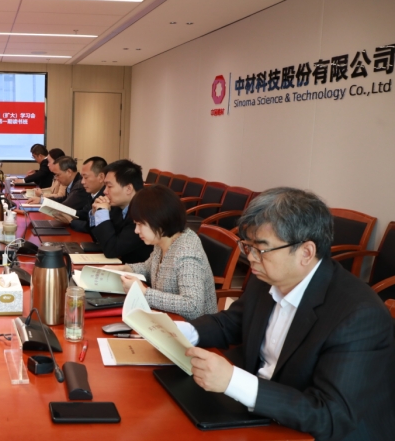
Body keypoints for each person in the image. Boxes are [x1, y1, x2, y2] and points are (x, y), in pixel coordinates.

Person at [182, 187, 395, 440]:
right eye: (247, 246)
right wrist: (181, 331)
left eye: (261, 249)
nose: (251, 258)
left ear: (306, 252)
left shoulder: (358, 315)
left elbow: (330, 415)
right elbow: (232, 323)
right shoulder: (267, 277)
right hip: (263, 411)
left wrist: (233, 381)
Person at [110, 184, 216, 318]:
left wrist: (144, 292)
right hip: (166, 319)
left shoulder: (187, 251)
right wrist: (125, 269)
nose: (136, 230)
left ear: (159, 220)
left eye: (140, 224)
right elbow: (149, 267)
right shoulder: (162, 239)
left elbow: (193, 306)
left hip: (191, 327)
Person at [89, 159, 153, 263]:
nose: (105, 191)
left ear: (128, 189)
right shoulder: (117, 207)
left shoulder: (143, 214)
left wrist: (102, 213)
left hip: (135, 269)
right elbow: (99, 239)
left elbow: (112, 250)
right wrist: (95, 214)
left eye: (109, 186)